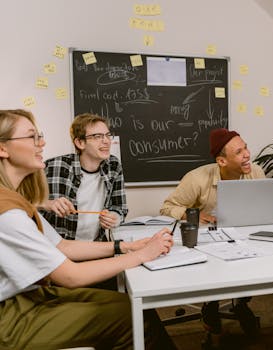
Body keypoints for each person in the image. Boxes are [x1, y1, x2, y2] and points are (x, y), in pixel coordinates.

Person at [0, 109, 176, 349]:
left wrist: (125, 245)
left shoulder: (13, 199)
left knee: (131, 305)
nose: (42, 143)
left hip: (28, 295)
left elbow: (62, 246)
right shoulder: (8, 212)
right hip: (11, 313)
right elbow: (70, 276)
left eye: (107, 135)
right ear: (3, 149)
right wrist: (142, 254)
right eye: (32, 137)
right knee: (132, 318)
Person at [160, 128, 265, 349]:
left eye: (245, 147)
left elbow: (262, 207)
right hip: (208, 241)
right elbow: (167, 207)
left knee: (257, 263)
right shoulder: (197, 178)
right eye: (239, 151)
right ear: (222, 160)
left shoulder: (255, 172)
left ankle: (241, 303)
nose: (247, 154)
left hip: (243, 236)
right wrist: (194, 216)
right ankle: (211, 304)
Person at [38, 113, 127, 242]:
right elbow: (22, 204)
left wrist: (115, 217)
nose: (107, 141)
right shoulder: (54, 166)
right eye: (97, 136)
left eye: (108, 135)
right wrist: (46, 204)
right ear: (80, 142)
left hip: (96, 245)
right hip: (58, 248)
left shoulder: (113, 165)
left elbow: (120, 207)